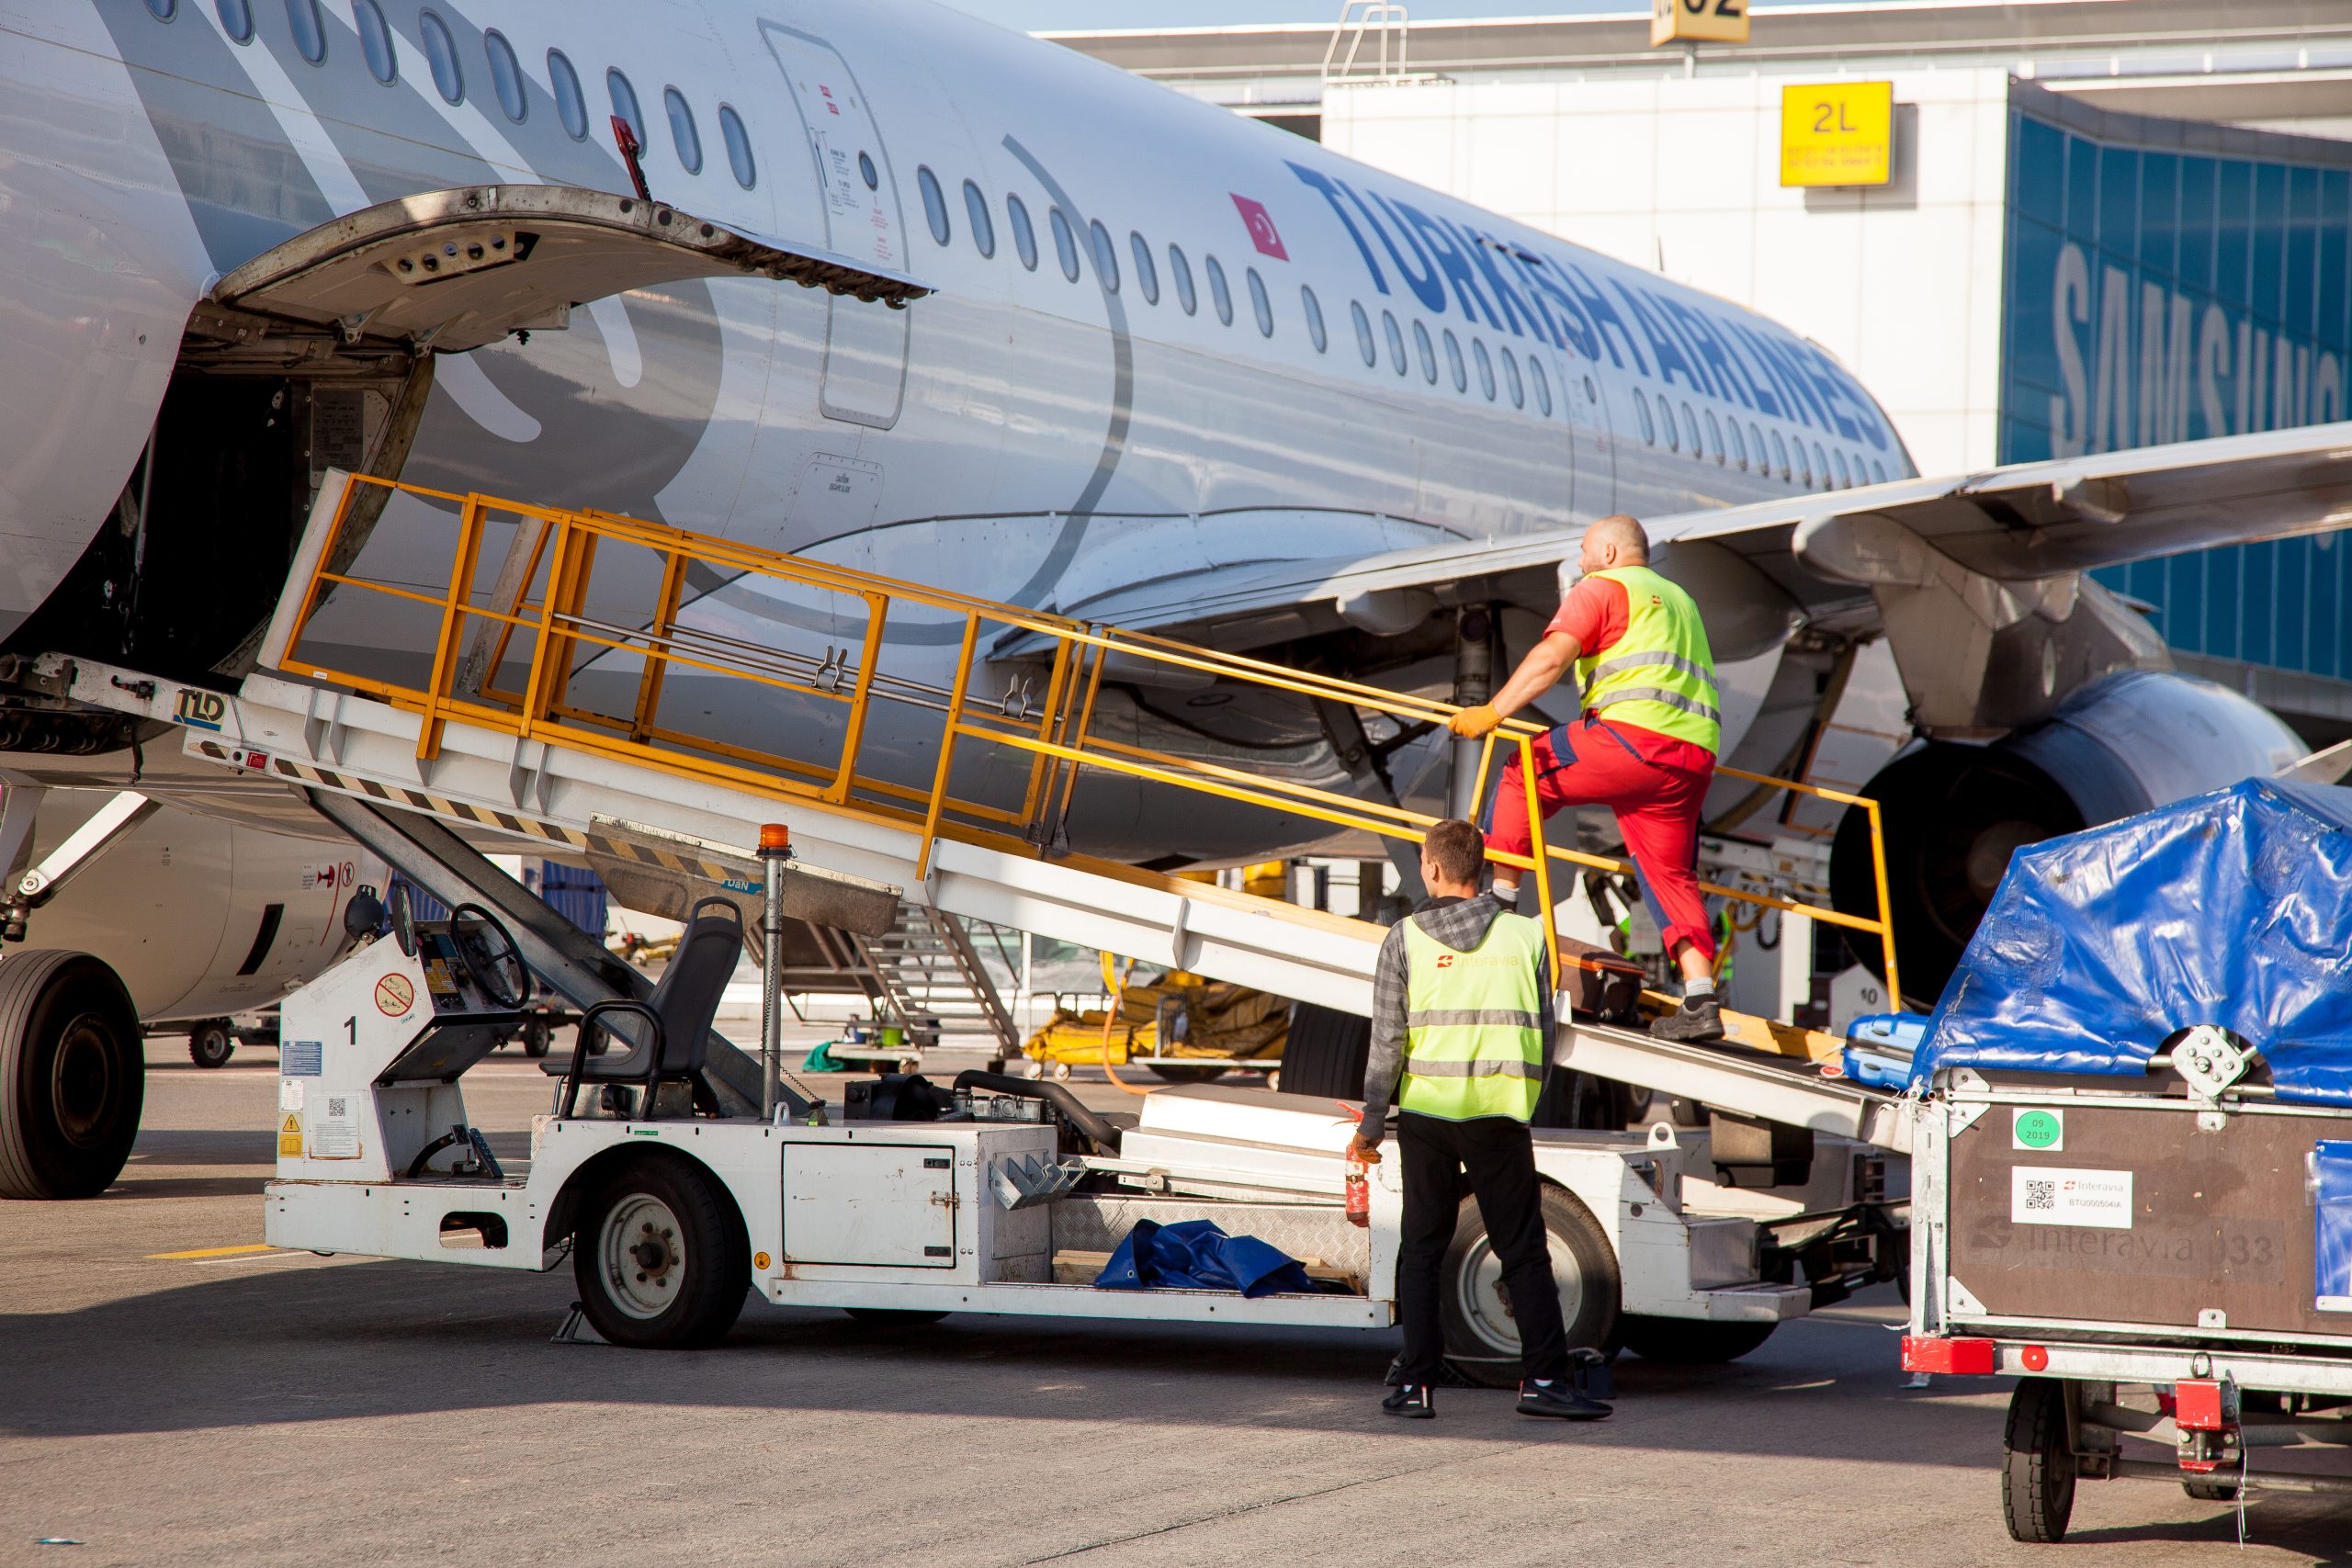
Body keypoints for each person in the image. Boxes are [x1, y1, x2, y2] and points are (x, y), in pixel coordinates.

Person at [1349, 818, 1611, 1423]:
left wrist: (1370, 1123)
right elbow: (1545, 1033)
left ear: (1434, 869)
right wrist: (1526, 1098)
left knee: (1421, 1248)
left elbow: (1387, 1042)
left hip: (1427, 1115)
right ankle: (1544, 1378)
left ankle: (1415, 1384)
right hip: (1499, 1115)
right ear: (1483, 869)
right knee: (1522, 1250)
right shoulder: (1527, 935)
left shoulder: (1403, 938)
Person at [1448, 514, 1726, 1043]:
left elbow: (1551, 657)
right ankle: (1700, 997)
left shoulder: (1601, 587)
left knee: (1520, 771)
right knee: (1669, 875)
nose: (1578, 561)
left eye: (1582, 551)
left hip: (1633, 740)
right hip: (1691, 758)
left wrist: (1494, 711)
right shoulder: (1681, 601)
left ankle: (1500, 907)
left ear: (1607, 552)